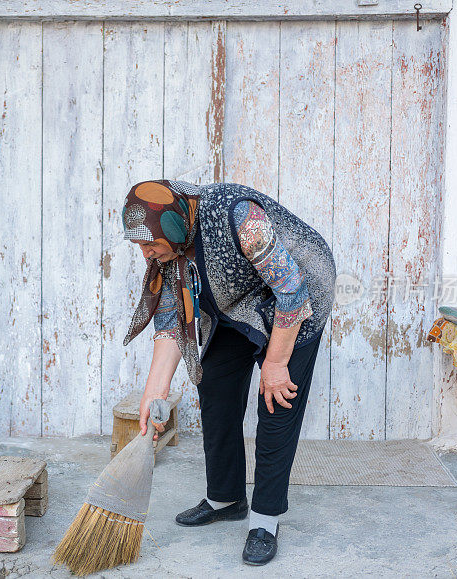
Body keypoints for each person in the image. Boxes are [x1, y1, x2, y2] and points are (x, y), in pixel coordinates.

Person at [121, 179, 336, 566]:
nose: (145, 254)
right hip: (241, 302)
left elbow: (292, 290)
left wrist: (274, 364)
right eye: (139, 246)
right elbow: (170, 325)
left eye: (149, 244)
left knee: (277, 404)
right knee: (215, 385)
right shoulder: (169, 252)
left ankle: (264, 520)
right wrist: (154, 393)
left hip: (298, 300)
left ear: (171, 226)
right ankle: (226, 498)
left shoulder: (239, 216)